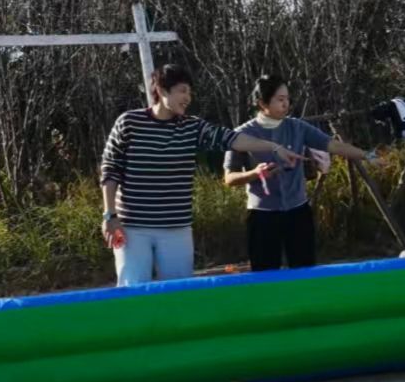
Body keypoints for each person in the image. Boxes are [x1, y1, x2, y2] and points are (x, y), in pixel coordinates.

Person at [102, 64, 302, 285]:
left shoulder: (192, 127)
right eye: (182, 91)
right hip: (132, 227)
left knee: (179, 292)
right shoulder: (129, 123)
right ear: (161, 90)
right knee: (133, 289)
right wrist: (110, 215)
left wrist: (273, 147)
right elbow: (110, 169)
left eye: (190, 92)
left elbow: (232, 139)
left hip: (176, 227)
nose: (188, 98)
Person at [223, 75, 369, 271]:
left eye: (287, 99)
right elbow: (229, 178)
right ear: (262, 103)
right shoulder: (242, 134)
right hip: (263, 215)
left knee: (304, 271)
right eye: (280, 99)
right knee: (265, 274)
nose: (286, 104)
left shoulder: (297, 127)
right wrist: (255, 173)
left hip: (297, 210)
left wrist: (366, 155)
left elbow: (331, 144)